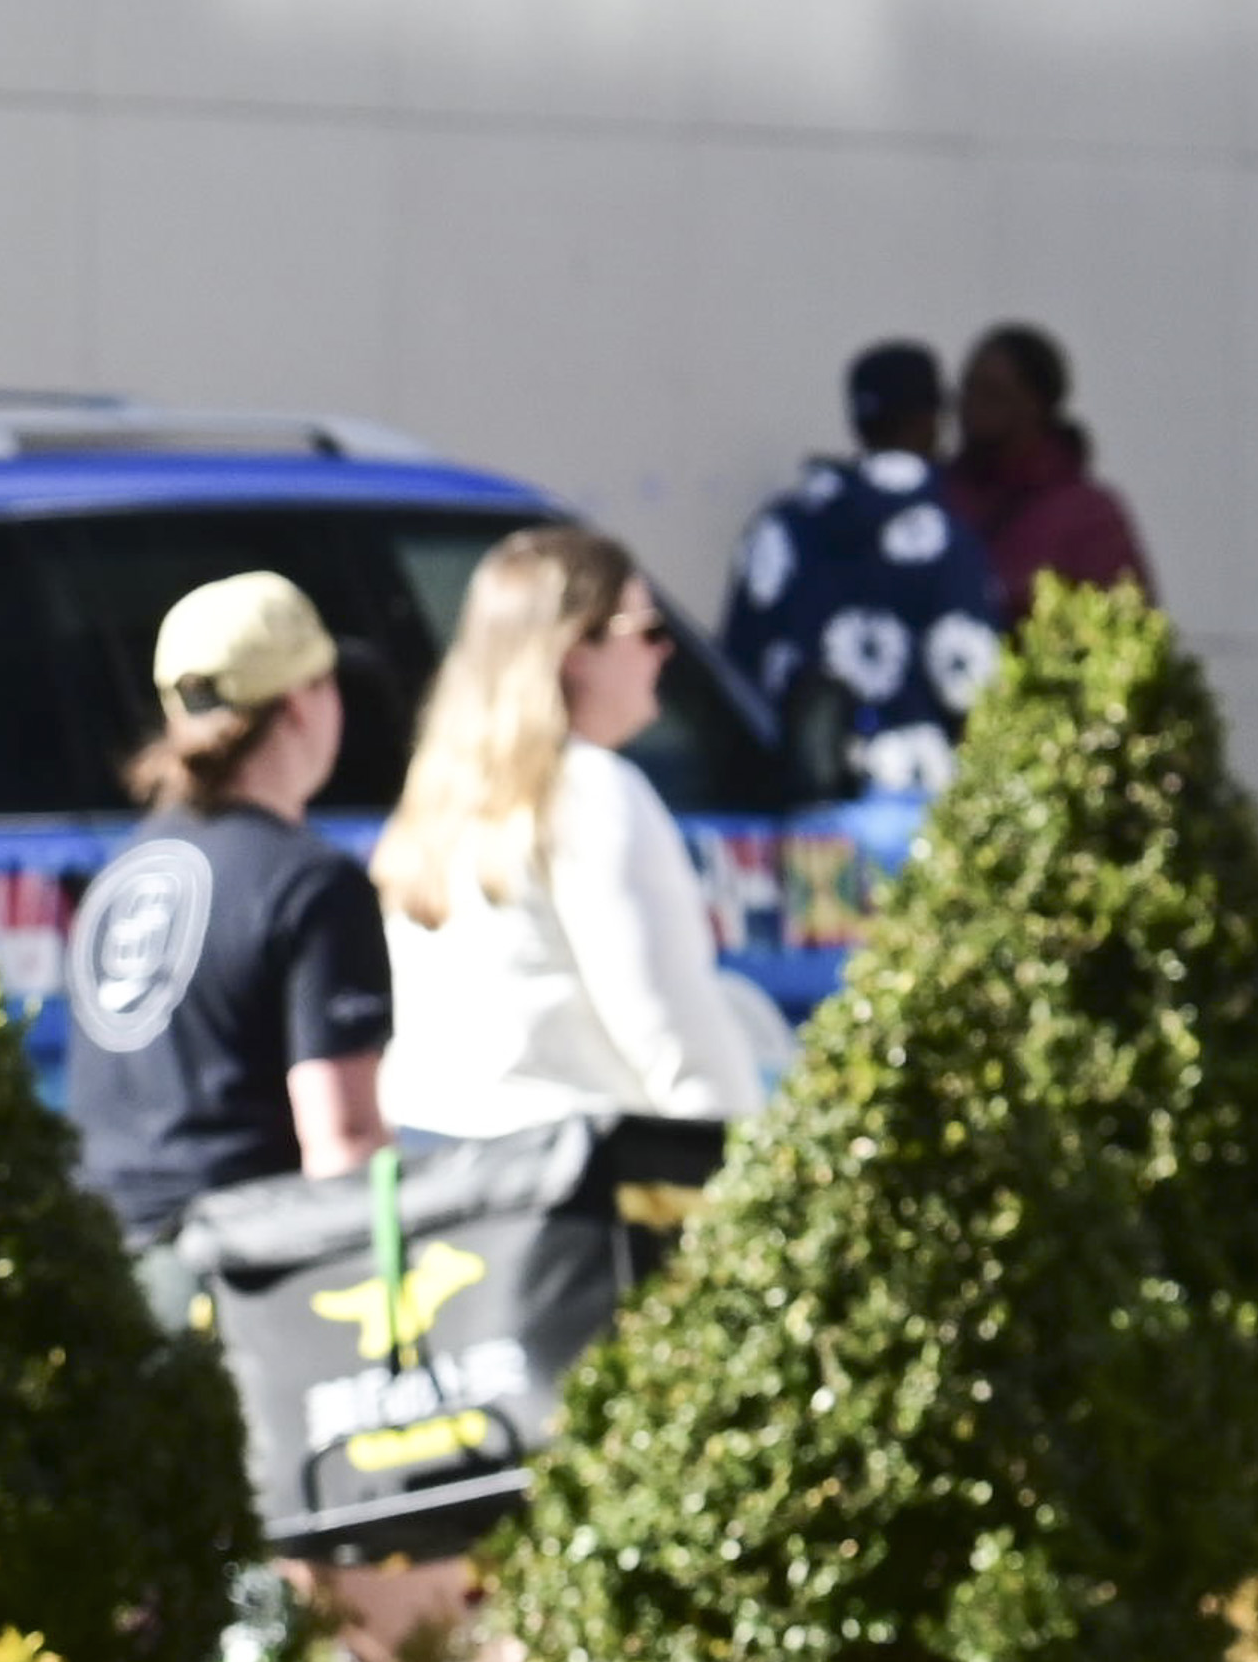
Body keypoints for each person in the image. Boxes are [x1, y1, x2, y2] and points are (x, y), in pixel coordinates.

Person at [372, 525, 789, 1135]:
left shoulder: (442, 798)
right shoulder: (591, 790)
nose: (663, 652)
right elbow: (675, 1038)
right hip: (570, 1171)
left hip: (446, 1165)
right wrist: (746, 1165)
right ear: (574, 649)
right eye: (647, 629)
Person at [63, 566, 392, 1234]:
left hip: (105, 1256)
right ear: (301, 703)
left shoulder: (120, 872)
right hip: (248, 1261)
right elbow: (343, 1140)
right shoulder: (312, 881)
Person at [707, 338, 1008, 795]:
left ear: (856, 421)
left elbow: (734, 674)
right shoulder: (947, 538)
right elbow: (972, 686)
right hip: (913, 805)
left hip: (792, 806)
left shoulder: (780, 529)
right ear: (933, 418)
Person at [948, 321, 1154, 609]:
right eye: (968, 391)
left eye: (992, 394)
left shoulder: (1087, 519)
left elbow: (1124, 620)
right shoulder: (940, 497)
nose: (972, 407)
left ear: (1035, 404)